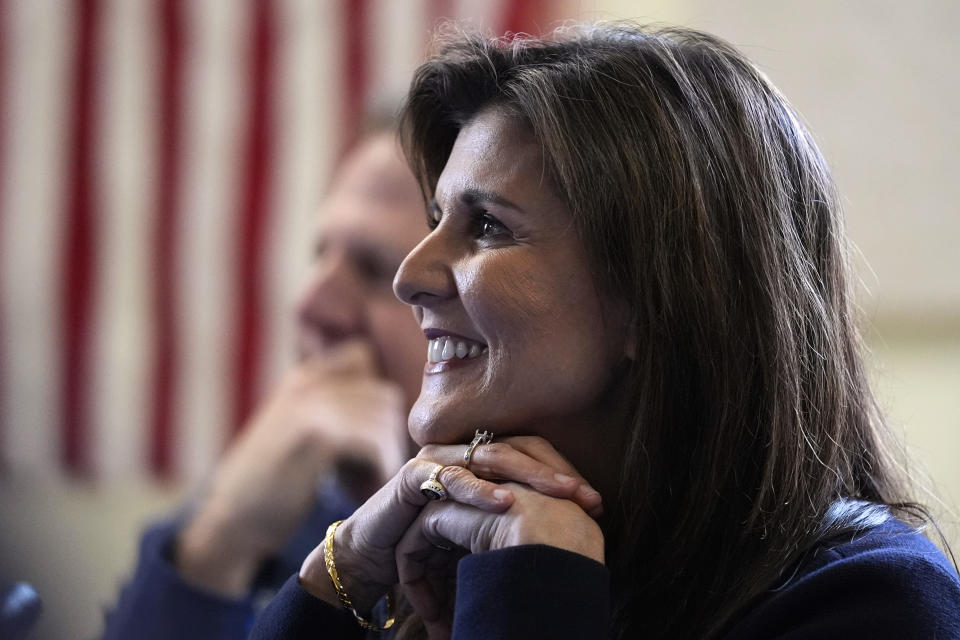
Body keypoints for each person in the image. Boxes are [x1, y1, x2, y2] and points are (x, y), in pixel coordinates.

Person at [247, 23, 960, 640]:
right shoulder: (444, 544)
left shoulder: (873, 603)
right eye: (435, 220)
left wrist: (534, 587)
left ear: (657, 300)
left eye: (487, 226)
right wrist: (336, 578)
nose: (411, 274)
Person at [101, 123, 429, 639]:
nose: (309, 302)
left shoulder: (535, 550)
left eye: (374, 268)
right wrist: (218, 546)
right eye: (320, 254)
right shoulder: (286, 496)